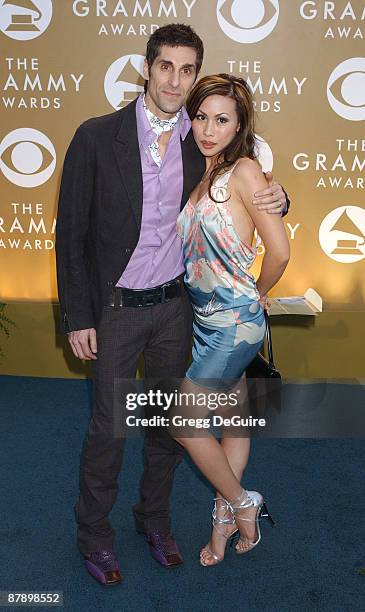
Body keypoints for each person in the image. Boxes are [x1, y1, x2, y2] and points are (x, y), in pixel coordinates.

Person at [55, 24, 289, 586]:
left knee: (166, 429)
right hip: (113, 310)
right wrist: (78, 315)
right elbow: (72, 234)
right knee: (108, 428)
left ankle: (154, 522)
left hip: (176, 311)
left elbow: (240, 185)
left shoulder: (199, 136)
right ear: (147, 67)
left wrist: (281, 198)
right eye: (167, 67)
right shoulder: (96, 135)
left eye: (188, 70)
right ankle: (95, 535)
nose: (176, 81)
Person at [171, 74, 290, 566]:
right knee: (232, 420)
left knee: (182, 419)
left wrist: (256, 296)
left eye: (221, 119)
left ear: (240, 126)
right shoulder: (198, 175)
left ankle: (244, 502)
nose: (207, 128)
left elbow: (280, 251)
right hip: (202, 321)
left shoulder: (244, 170)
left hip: (234, 321)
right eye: (200, 116)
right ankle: (222, 523)